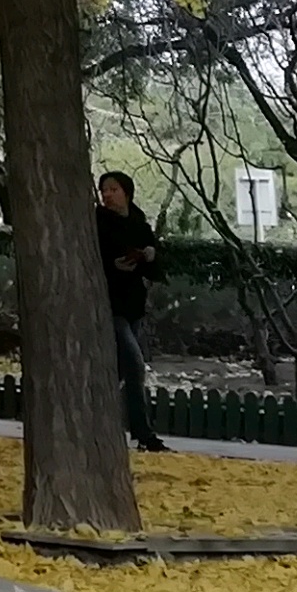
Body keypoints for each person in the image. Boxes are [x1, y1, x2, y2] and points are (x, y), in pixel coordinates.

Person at [96, 170, 168, 454]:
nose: (107, 194)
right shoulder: (99, 221)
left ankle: (97, 418)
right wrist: (113, 265)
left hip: (133, 304)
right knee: (135, 364)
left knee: (118, 371)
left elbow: (155, 261)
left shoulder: (138, 221)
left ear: (126, 192)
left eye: (113, 189)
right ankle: (144, 433)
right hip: (110, 305)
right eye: (104, 190)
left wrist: (147, 255)